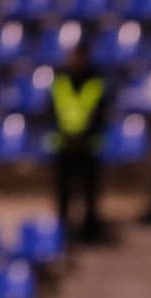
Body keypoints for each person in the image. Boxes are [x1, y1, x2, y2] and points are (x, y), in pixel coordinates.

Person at [50, 45, 107, 242]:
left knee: (90, 193)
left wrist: (86, 134)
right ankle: (62, 233)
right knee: (63, 194)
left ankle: (90, 233)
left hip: (88, 147)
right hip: (64, 146)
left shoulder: (96, 82)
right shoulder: (59, 81)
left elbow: (102, 114)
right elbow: (50, 113)